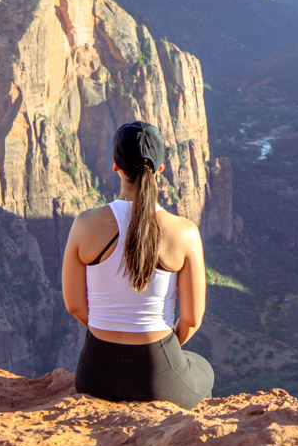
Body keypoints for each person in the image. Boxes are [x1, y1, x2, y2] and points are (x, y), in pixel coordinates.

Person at [62, 120, 214, 408]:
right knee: (202, 368)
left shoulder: (84, 224)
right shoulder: (183, 232)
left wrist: (110, 334)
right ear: (159, 169)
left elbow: (75, 306)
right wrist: (155, 356)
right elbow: (192, 319)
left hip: (95, 375)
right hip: (157, 377)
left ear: (115, 166)